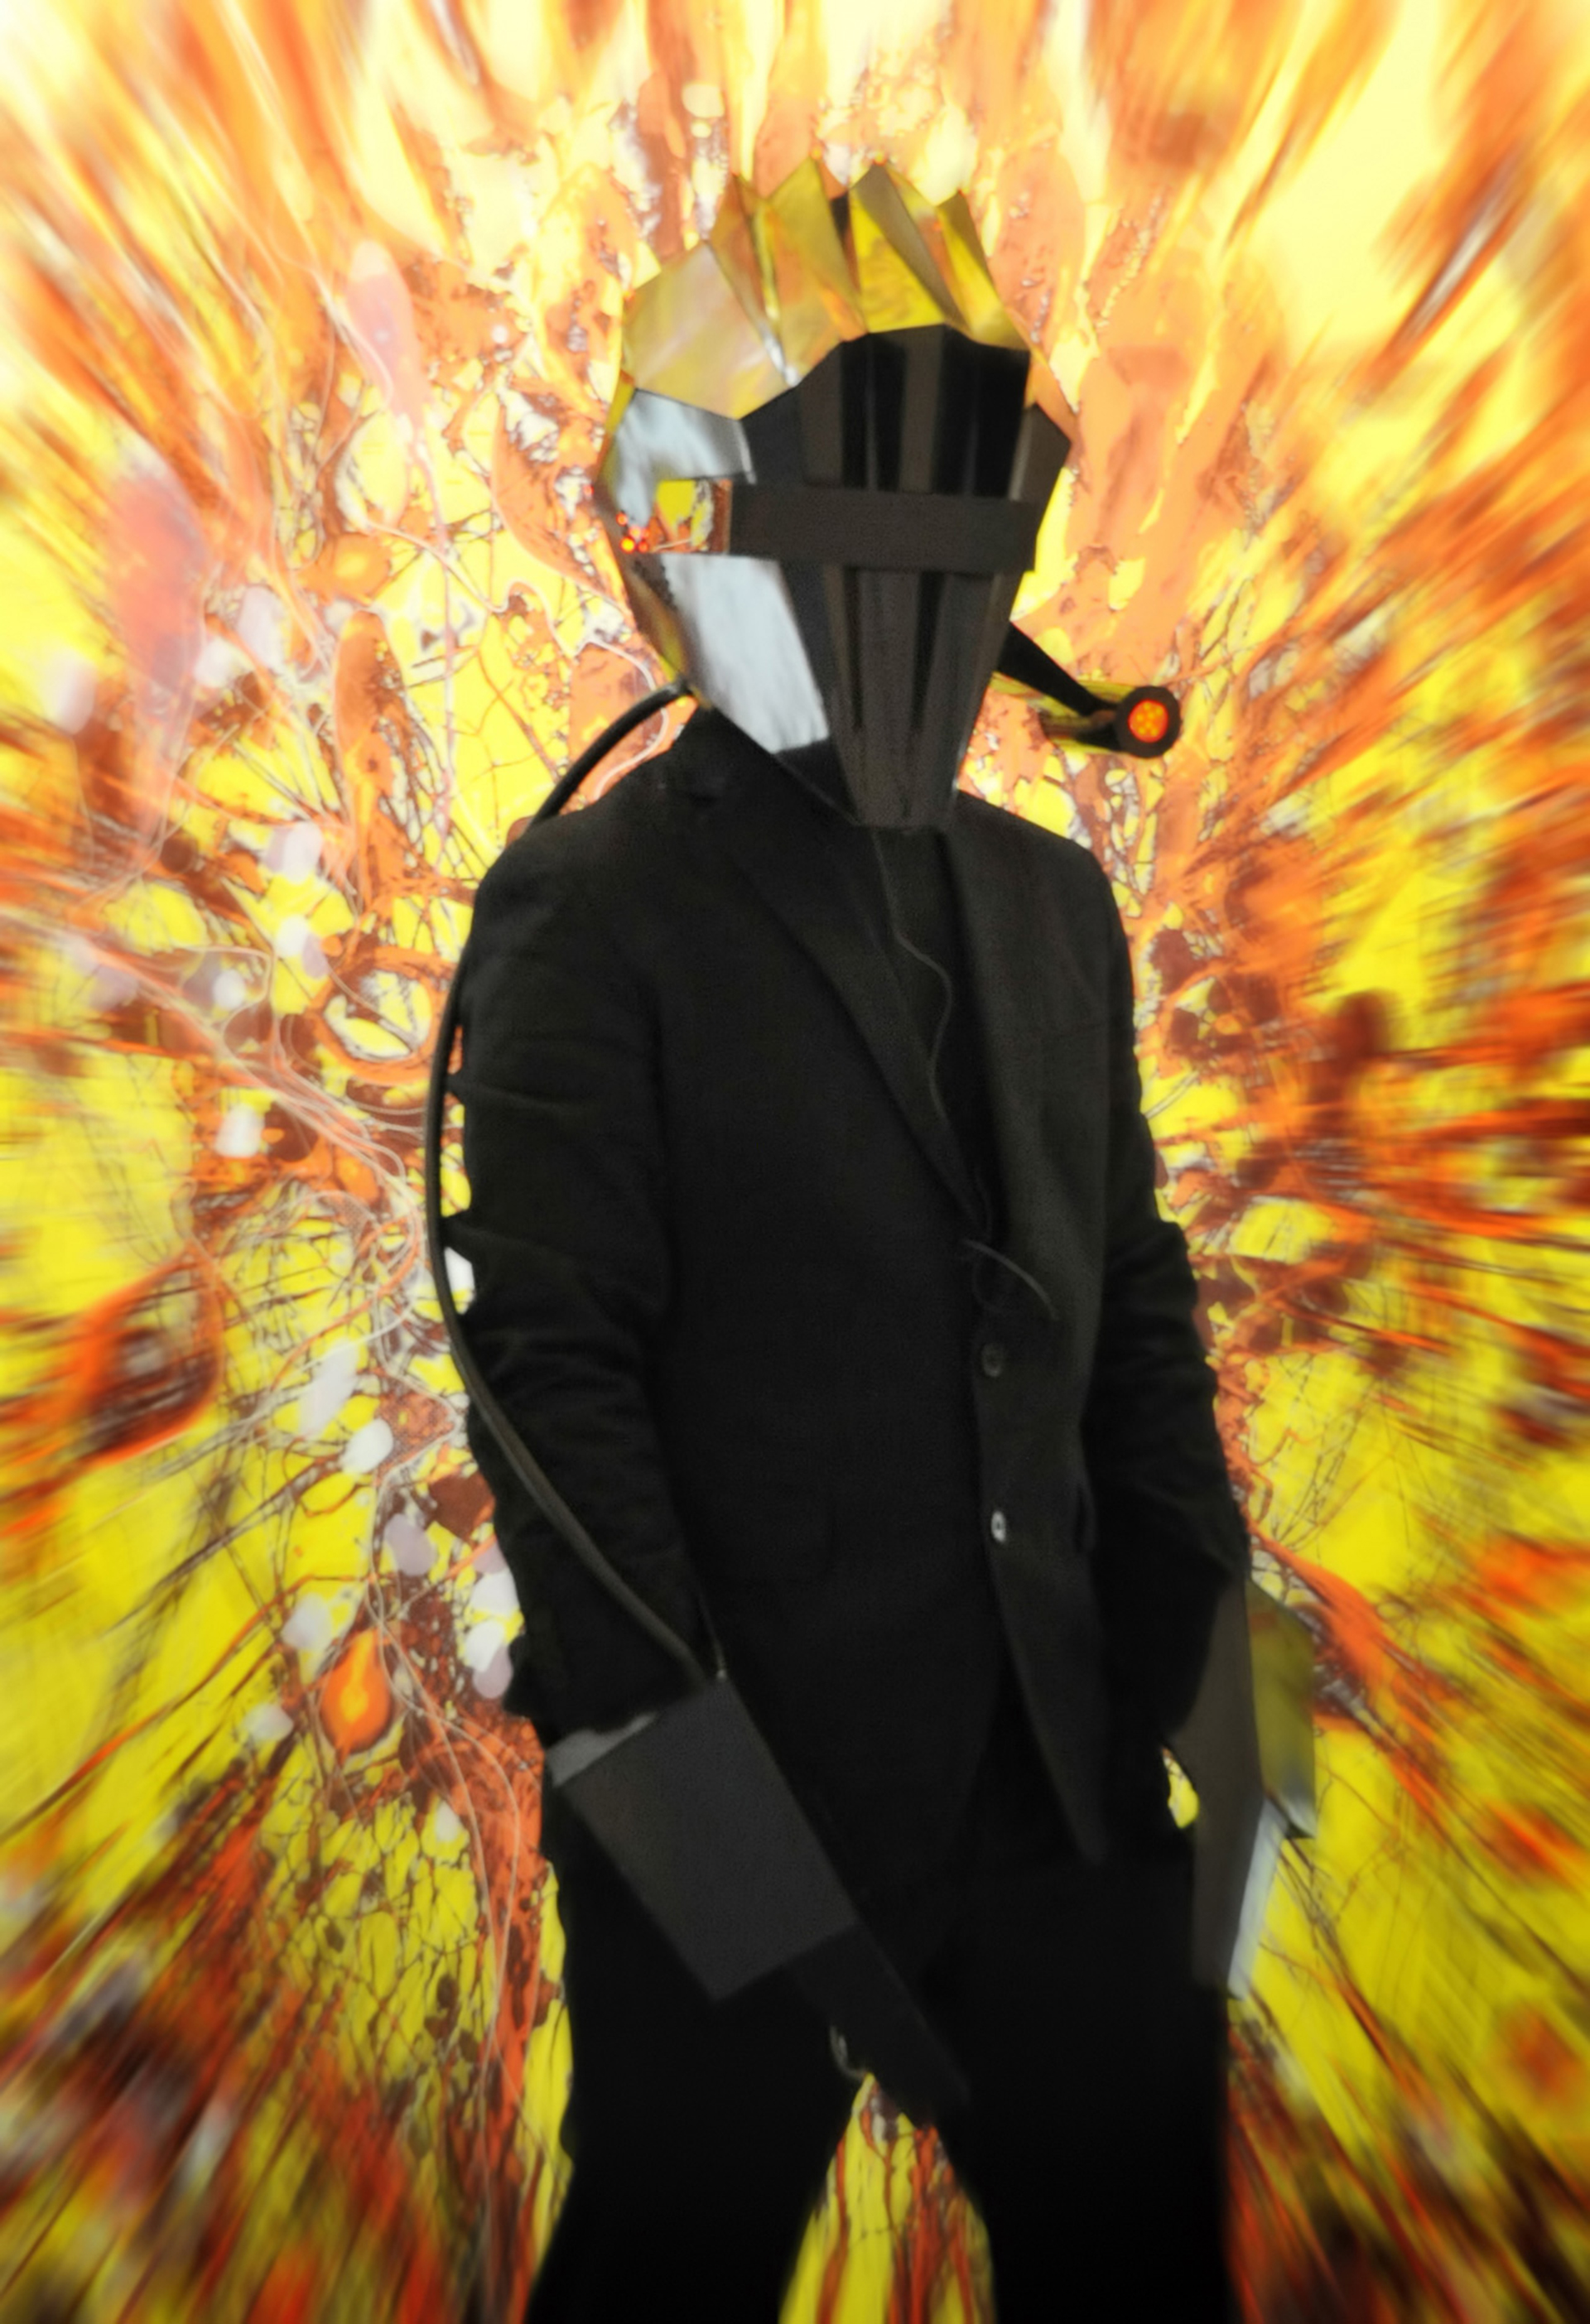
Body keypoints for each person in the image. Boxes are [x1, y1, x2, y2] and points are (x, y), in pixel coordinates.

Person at [447, 161, 1252, 2320]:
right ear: (691, 528)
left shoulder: (1050, 904)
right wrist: (698, 1825)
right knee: (673, 2262)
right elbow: (554, 1388)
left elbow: (1128, 1301)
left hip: (1062, 1788)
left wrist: (1216, 1686)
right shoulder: (589, 913)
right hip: (743, 1787)